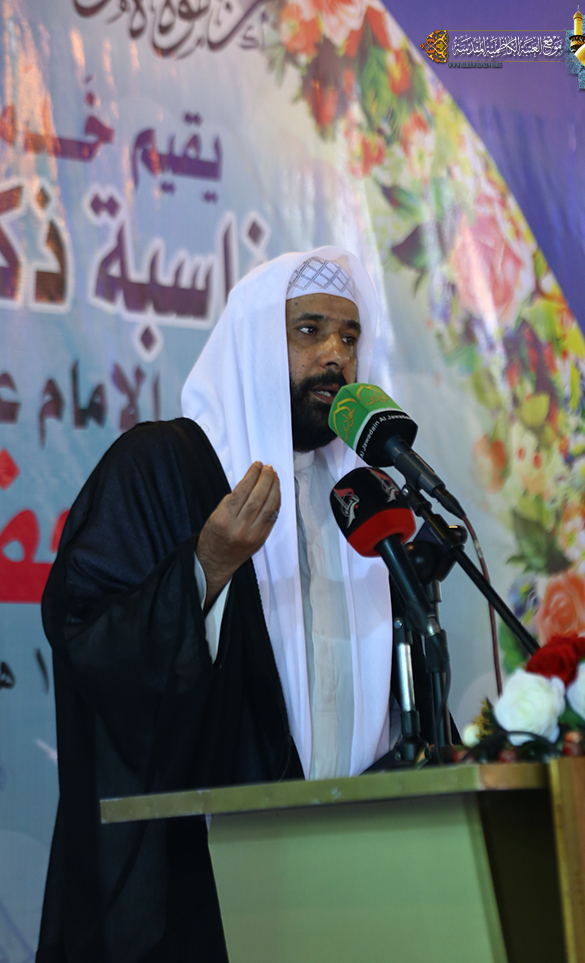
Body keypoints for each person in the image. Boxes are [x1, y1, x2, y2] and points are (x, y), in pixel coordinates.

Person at [37, 247, 394, 963]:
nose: (335, 356)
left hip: (350, 876)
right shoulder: (160, 465)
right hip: (207, 882)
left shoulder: (364, 497)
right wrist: (205, 568)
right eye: (309, 331)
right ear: (254, 343)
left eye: (350, 337)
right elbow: (85, 634)